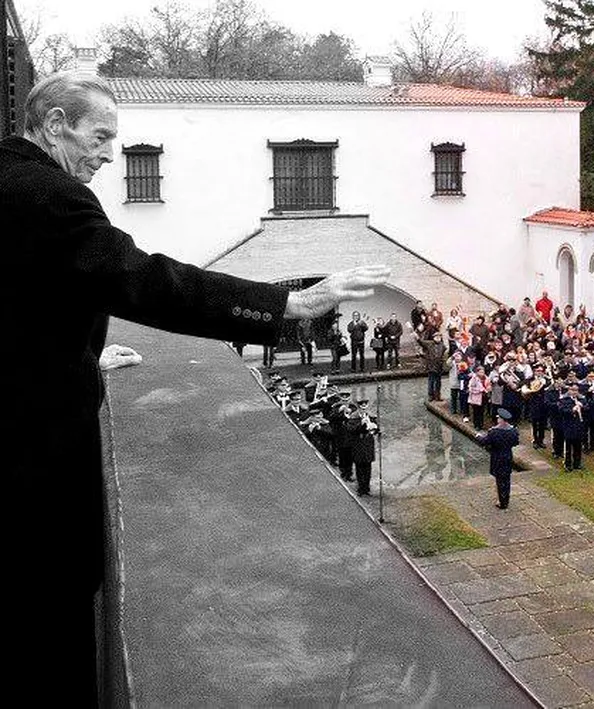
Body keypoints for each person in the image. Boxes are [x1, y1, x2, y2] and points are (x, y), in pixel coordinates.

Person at [3, 71, 390, 703]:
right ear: (55, 126)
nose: (107, 153)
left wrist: (79, 353)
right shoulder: (48, 197)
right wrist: (287, 303)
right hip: (33, 469)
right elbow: (148, 282)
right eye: (100, 137)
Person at [478, 409, 520, 509]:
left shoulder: (494, 432)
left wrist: (478, 436)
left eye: (498, 418)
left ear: (501, 419)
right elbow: (516, 442)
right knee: (507, 479)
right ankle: (506, 498)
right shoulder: (513, 431)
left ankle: (502, 502)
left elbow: (485, 441)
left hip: (497, 456)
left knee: (499, 480)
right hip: (508, 456)